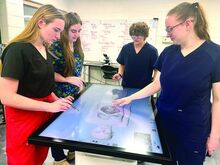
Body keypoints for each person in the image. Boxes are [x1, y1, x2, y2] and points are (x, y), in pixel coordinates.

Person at [113, 2, 220, 165]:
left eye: (170, 29)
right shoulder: (168, 53)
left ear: (188, 24)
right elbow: (157, 84)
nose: (168, 34)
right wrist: (131, 98)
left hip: (192, 128)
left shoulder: (214, 54)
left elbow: (218, 100)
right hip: (164, 123)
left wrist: (214, 135)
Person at [0, 5, 74, 165]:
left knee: (39, 158)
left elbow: (43, 86)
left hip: (42, 117)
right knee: (23, 160)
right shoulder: (17, 50)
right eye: (56, 30)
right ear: (41, 22)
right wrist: (49, 107)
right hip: (23, 119)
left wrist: (58, 101)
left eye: (61, 31)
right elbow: (6, 96)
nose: (58, 35)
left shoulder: (44, 49)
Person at [49, 12, 84, 165]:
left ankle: (71, 151)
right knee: (56, 127)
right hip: (58, 94)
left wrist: (79, 82)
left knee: (72, 124)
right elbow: (48, 73)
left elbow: (77, 68)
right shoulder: (56, 46)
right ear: (65, 30)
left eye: (79, 31)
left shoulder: (77, 45)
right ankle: (58, 158)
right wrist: (66, 79)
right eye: (73, 31)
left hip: (74, 93)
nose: (76, 34)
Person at [112, 21, 158, 89]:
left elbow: (156, 69)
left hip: (144, 88)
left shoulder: (152, 51)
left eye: (138, 35)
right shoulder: (126, 48)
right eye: (133, 35)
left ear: (145, 35)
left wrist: (154, 84)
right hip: (127, 86)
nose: (135, 38)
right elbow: (122, 64)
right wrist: (119, 74)